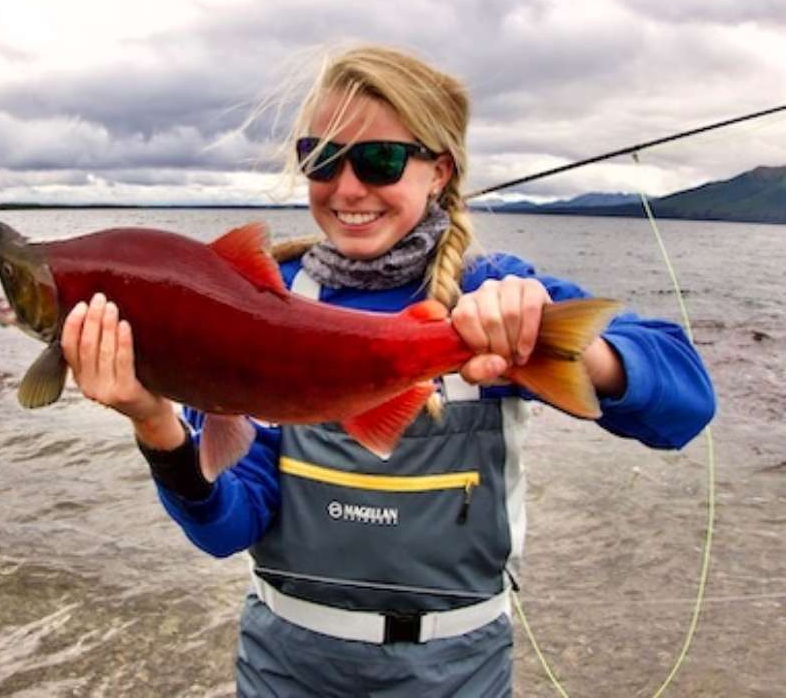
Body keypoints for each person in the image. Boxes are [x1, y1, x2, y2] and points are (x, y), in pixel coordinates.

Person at [58, 45, 716, 697]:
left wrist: (576, 353)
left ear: (439, 171)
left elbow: (685, 404)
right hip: (283, 666)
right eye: (320, 157)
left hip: (458, 671)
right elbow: (229, 527)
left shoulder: (490, 295)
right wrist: (155, 422)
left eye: (379, 159)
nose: (347, 186)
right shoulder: (254, 309)